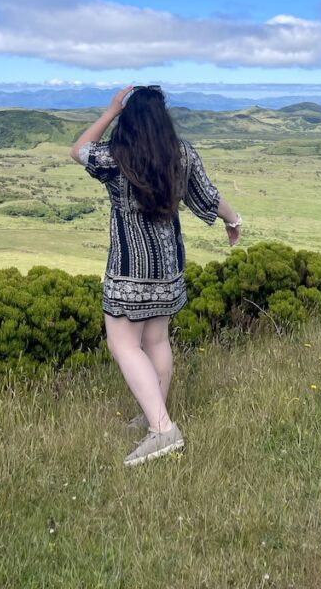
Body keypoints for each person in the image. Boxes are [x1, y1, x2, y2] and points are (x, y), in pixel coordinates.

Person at [70, 84, 242, 466]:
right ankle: (154, 413)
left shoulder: (117, 158)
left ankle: (163, 429)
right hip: (169, 267)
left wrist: (111, 110)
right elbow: (208, 198)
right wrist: (234, 221)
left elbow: (79, 150)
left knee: (123, 345)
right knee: (156, 340)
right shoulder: (182, 153)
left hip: (130, 269)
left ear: (129, 119)